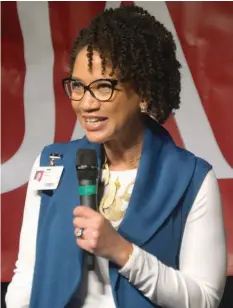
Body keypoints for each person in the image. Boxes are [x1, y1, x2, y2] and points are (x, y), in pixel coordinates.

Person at [6, 5, 226, 308]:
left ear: (144, 92)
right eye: (78, 87)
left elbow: (204, 299)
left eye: (103, 87)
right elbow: (26, 276)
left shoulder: (192, 178)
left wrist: (122, 251)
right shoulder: (51, 162)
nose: (86, 104)